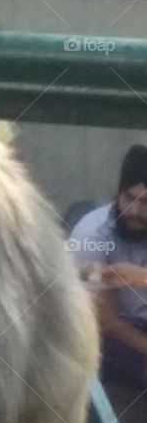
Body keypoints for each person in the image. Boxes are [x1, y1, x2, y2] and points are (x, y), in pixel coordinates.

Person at [70, 145, 147, 386]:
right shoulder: (91, 235)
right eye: (129, 198)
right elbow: (108, 322)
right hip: (112, 336)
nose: (135, 211)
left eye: (146, 202)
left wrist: (142, 277)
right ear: (118, 192)